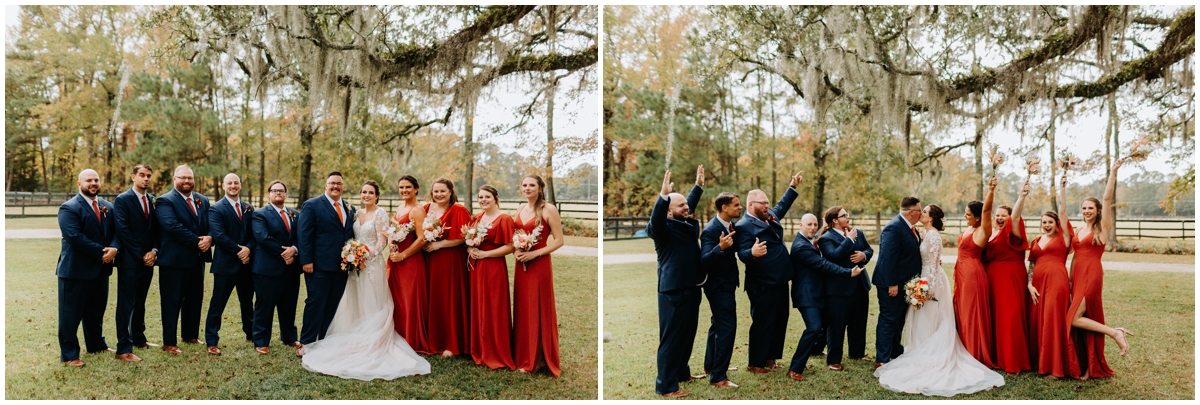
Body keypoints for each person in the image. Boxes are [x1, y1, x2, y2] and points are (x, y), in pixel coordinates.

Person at [300, 180, 431, 380]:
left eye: (370, 192)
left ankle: (372, 338)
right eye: (363, 192)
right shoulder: (355, 213)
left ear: (377, 196)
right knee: (353, 300)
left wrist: (365, 257)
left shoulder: (380, 214)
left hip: (371, 264)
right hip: (354, 266)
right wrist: (353, 256)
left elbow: (382, 240)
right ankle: (352, 335)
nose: (366, 195)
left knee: (371, 300)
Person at [874, 204, 1005, 396]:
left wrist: (930, 288)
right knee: (921, 318)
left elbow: (934, 264)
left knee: (931, 318)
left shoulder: (933, 235)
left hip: (932, 283)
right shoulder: (924, 233)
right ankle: (920, 352)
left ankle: (931, 357)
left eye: (924, 212)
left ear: (931, 218)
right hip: (924, 280)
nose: (921, 214)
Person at [1065, 159, 1132, 380]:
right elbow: (1074, 257)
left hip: (1092, 275)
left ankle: (1115, 332)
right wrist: (1070, 279)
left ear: (1098, 210)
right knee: (1082, 321)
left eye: (1090, 208)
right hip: (1078, 276)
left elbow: (1107, 197)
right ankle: (1088, 367)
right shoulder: (1078, 228)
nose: (1086, 211)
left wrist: (1112, 172)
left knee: (1074, 318)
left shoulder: (1102, 229)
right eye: (1084, 208)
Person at [734, 171, 803, 374]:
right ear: (750, 205)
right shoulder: (743, 226)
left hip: (780, 280)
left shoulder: (769, 216)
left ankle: (770, 357)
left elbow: (781, 206)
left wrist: (792, 187)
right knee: (763, 322)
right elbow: (742, 253)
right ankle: (755, 363)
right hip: (762, 283)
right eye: (762, 203)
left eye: (767, 202)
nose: (766, 206)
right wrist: (752, 253)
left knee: (779, 321)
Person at [647, 168, 704, 397]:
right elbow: (658, 217)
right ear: (668, 212)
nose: (686, 208)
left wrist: (697, 187)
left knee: (687, 335)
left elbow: (684, 206)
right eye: (680, 206)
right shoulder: (661, 228)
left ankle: (682, 373)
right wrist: (663, 196)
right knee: (671, 340)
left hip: (691, 287)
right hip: (673, 291)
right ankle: (666, 386)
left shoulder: (683, 222)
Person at [786, 213, 862, 381]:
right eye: (809, 225)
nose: (813, 228)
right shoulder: (800, 246)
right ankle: (794, 368)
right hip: (806, 294)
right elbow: (823, 264)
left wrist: (824, 223)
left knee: (822, 325)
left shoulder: (807, 239)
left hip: (817, 292)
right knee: (814, 327)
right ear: (800, 225)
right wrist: (848, 272)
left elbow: (818, 231)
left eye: (815, 224)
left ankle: (815, 350)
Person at [56, 169, 118, 367]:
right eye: (88, 180)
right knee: (70, 315)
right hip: (75, 271)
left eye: (96, 180)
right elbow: (75, 237)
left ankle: (96, 344)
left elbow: (117, 232)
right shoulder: (68, 208)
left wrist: (115, 248)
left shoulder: (108, 206)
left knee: (95, 310)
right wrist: (103, 252)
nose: (93, 183)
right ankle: (70, 355)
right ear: (79, 184)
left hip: (101, 269)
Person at [155, 165, 213, 355]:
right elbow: (171, 226)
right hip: (174, 260)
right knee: (172, 301)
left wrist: (210, 238)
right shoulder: (165, 201)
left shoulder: (202, 200)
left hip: (196, 260)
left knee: (195, 298)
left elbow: (211, 224)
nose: (187, 181)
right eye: (182, 178)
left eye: (190, 178)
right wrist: (197, 241)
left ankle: (190, 334)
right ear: (174, 179)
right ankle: (169, 341)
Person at [514, 173, 567, 377]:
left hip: (539, 263)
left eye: (531, 185)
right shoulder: (520, 208)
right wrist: (517, 250)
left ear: (540, 188)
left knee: (538, 306)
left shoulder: (548, 209)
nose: (527, 188)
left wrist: (535, 253)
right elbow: (516, 235)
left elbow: (559, 240)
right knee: (524, 307)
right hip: (521, 264)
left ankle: (538, 359)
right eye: (524, 185)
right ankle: (523, 353)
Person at [297, 171, 355, 355]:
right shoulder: (312, 205)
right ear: (326, 185)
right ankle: (306, 342)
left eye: (339, 183)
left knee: (332, 304)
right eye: (332, 183)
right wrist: (306, 260)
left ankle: (324, 340)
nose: (335, 186)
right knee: (315, 302)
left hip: (341, 267)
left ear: (343, 187)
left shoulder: (348, 208)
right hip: (318, 266)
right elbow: (304, 235)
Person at [466, 185, 518, 370]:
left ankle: (496, 352)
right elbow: (468, 241)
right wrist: (471, 248)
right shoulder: (477, 218)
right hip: (476, 267)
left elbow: (511, 246)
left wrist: (486, 255)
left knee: (494, 307)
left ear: (496, 198)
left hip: (493, 266)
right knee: (478, 305)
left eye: (487, 196)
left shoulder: (504, 218)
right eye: (480, 197)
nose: (483, 200)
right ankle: (479, 349)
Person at [1026, 175, 1073, 378]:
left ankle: (1055, 366)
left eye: (1050, 222)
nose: (1047, 225)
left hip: (1056, 281)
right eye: (1044, 222)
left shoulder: (1063, 238)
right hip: (1036, 284)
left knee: (1053, 319)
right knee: (1037, 320)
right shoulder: (1036, 239)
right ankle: (1040, 363)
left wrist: (1062, 188)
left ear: (1057, 224)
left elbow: (1063, 212)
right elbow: (1032, 263)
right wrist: (1029, 284)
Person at [112, 164, 160, 361]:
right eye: (142, 175)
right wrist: (142, 254)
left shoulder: (152, 200)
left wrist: (154, 251)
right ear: (133, 177)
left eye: (148, 176)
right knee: (126, 304)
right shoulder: (122, 200)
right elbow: (123, 231)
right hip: (130, 262)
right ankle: (123, 348)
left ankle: (139, 338)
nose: (146, 179)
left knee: (140, 301)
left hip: (148, 261)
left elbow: (157, 230)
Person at [204, 173, 256, 355]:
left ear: (240, 185)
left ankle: (252, 334)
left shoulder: (249, 207)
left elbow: (254, 234)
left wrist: (248, 249)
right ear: (224, 185)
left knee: (247, 302)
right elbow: (219, 236)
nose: (233, 186)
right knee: (218, 304)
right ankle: (211, 340)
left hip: (247, 264)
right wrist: (240, 251)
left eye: (236, 183)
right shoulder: (216, 208)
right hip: (225, 265)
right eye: (229, 183)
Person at [817, 206, 874, 371]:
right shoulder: (826, 239)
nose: (848, 218)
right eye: (844, 215)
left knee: (859, 321)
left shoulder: (858, 232)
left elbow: (869, 250)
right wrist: (849, 240)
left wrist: (864, 255)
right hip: (838, 289)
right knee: (837, 324)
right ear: (835, 220)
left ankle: (857, 353)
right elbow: (834, 256)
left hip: (860, 285)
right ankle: (834, 359)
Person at [984, 179, 1032, 374]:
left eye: (1004, 215)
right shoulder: (991, 233)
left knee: (1010, 316)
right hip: (992, 279)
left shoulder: (1013, 230)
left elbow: (1017, 214)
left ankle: (1013, 359)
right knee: (995, 317)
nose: (1000, 218)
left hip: (1010, 278)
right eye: (997, 215)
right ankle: (996, 355)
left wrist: (1021, 196)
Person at [250, 180, 303, 355]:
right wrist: (285, 254)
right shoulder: (259, 214)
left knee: (289, 305)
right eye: (274, 191)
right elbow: (263, 238)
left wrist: (294, 250)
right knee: (265, 306)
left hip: (291, 270)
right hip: (267, 269)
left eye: (281, 190)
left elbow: (302, 237)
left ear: (286, 194)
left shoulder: (296, 214)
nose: (278, 193)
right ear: (268, 194)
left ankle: (289, 337)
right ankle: (261, 341)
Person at [872, 196, 924, 368]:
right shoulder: (893, 228)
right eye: (919, 210)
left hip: (905, 285)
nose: (921, 213)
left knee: (899, 319)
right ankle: (882, 359)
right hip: (892, 284)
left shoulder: (910, 228)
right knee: (888, 320)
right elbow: (887, 258)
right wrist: (892, 283)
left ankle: (895, 351)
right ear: (911, 212)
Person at [423, 178, 471, 356]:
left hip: (451, 260)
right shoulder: (427, 209)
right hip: (430, 261)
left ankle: (452, 342)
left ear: (451, 191)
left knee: (450, 298)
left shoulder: (458, 210)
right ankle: (434, 339)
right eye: (436, 191)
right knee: (434, 298)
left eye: (443, 191)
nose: (439, 194)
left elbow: (463, 237)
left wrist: (440, 245)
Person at [955, 177, 998, 368]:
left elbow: (988, 210)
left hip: (973, 275)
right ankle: (962, 348)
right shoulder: (969, 228)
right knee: (962, 312)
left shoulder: (982, 231)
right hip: (961, 274)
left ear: (978, 217)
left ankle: (974, 352)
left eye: (968, 214)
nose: (965, 217)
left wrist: (991, 190)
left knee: (972, 313)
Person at [700, 190, 741, 388]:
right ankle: (718, 377)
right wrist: (720, 248)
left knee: (717, 325)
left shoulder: (731, 225)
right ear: (724, 207)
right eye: (736, 205)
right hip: (718, 287)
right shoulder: (710, 230)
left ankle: (710, 365)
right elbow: (704, 261)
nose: (740, 207)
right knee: (727, 328)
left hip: (727, 284)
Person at [387, 175, 432, 355]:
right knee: (398, 299)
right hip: (397, 260)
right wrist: (392, 247)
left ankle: (412, 339)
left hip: (410, 261)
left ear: (416, 189)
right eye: (401, 187)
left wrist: (404, 254)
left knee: (410, 299)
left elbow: (422, 239)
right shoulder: (400, 207)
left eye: (408, 187)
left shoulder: (417, 210)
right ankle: (400, 335)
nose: (404, 190)